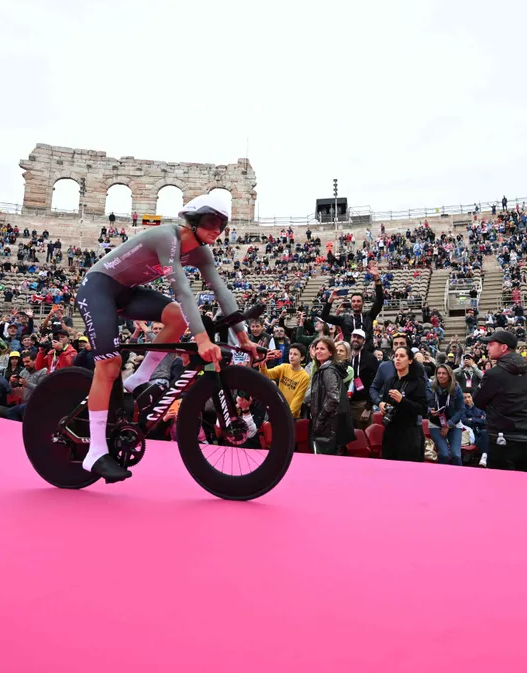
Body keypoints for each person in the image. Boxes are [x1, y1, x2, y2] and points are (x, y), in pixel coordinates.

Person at [73, 195, 261, 483]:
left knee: (176, 316)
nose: (217, 230)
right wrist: (200, 339)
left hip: (126, 292)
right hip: (98, 287)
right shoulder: (166, 236)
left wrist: (243, 338)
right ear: (194, 221)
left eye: (222, 225)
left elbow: (222, 291)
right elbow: (183, 291)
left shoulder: (201, 252)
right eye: (212, 222)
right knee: (109, 366)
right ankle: (95, 451)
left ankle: (138, 379)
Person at [474, 330, 527, 471]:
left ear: (503, 348)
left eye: (491, 344)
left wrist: (496, 409)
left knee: (500, 490)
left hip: (501, 440)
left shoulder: (494, 374)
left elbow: (478, 400)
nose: (487, 348)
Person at [379, 345, 427, 462]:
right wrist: (382, 405)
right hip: (391, 431)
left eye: (402, 356)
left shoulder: (418, 382)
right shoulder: (391, 381)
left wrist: (402, 401)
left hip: (409, 434)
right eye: (395, 356)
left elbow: (423, 409)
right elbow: (384, 400)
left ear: (410, 360)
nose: (398, 359)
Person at [306, 336, 353, 454]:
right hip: (330, 425)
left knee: (323, 463)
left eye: (322, 349)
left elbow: (333, 398)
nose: (318, 351)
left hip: (327, 426)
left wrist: (320, 419)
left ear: (331, 352)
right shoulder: (327, 368)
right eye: (317, 348)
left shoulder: (328, 370)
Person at [260, 341, 311, 419]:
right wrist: (263, 363)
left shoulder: (304, 376)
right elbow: (267, 375)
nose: (291, 356)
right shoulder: (284, 367)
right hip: (277, 409)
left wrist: (287, 415)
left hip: (291, 415)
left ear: (302, 358)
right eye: (290, 353)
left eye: (295, 354)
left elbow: (298, 400)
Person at [427, 364, 465, 466]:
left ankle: (459, 477)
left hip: (453, 423)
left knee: (456, 455)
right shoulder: (430, 386)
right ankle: (442, 478)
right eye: (439, 373)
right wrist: (430, 411)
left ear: (449, 375)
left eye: (444, 373)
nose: (441, 376)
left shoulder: (456, 388)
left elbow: (461, 410)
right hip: (435, 423)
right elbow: (423, 404)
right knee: (444, 454)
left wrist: (448, 425)